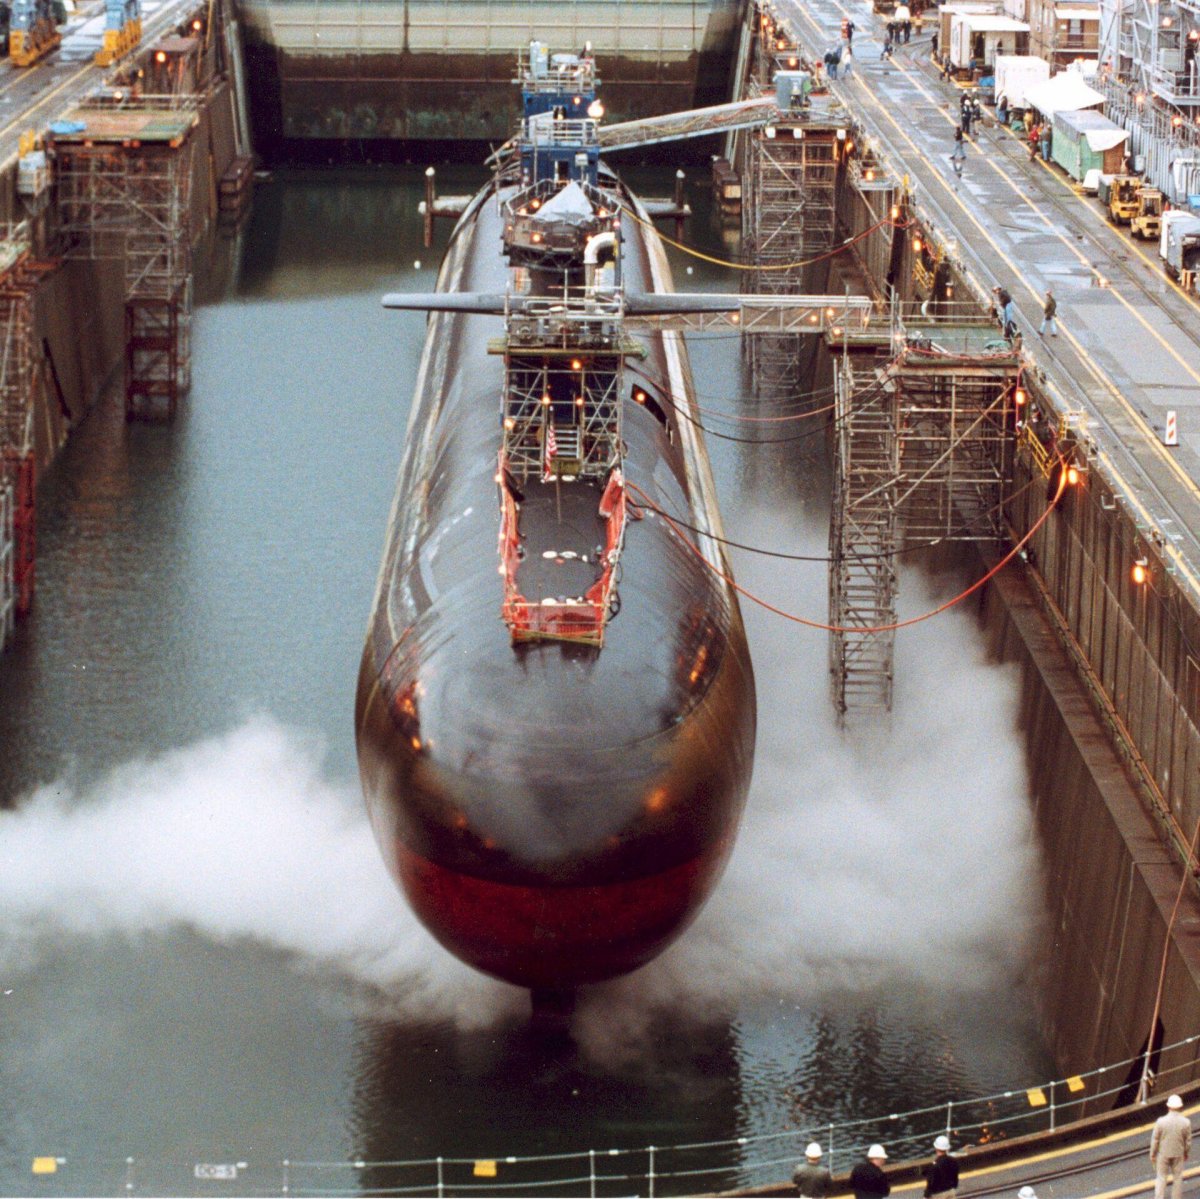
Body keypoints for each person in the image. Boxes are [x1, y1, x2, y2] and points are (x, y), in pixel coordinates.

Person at [1150, 1093, 1191, 1199]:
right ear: (1180, 1107)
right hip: (1178, 1153)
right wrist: (1186, 1153)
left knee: (1161, 1177)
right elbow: (1188, 1141)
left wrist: (1153, 1154)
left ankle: (1159, 1197)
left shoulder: (1161, 1122)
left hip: (1163, 1153)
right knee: (1177, 1178)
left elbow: (1155, 1140)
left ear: (1168, 1107)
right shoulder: (1186, 1122)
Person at [923, 1135, 959, 1199]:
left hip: (938, 1194)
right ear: (947, 1148)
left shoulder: (935, 1165)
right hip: (951, 1191)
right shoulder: (953, 1161)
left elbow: (931, 1183)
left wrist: (926, 1195)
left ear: (936, 1148)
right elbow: (955, 1178)